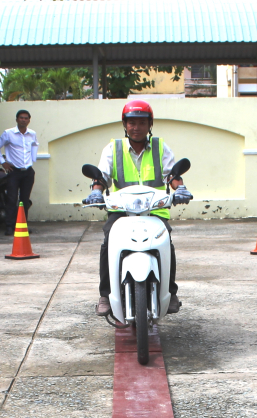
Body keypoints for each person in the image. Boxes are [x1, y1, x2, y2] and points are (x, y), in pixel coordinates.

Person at [82, 100, 192, 316]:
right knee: (108, 243)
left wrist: (180, 188)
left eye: (142, 122)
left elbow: (172, 175)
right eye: (132, 122)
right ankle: (105, 294)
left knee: (166, 243)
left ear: (150, 124)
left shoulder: (161, 147)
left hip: (154, 211)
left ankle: (170, 291)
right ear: (125, 124)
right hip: (121, 211)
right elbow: (102, 176)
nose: (136, 127)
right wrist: (96, 190)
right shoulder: (113, 148)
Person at [0, 110, 38, 234]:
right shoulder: (8, 133)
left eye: (26, 118)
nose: (23, 120)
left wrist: (32, 160)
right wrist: (3, 162)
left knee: (24, 200)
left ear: (29, 120)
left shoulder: (32, 134)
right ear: (17, 119)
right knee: (11, 199)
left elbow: (35, 145)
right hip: (14, 172)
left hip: (28, 171)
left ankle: (22, 226)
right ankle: (9, 226)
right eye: (21, 118)